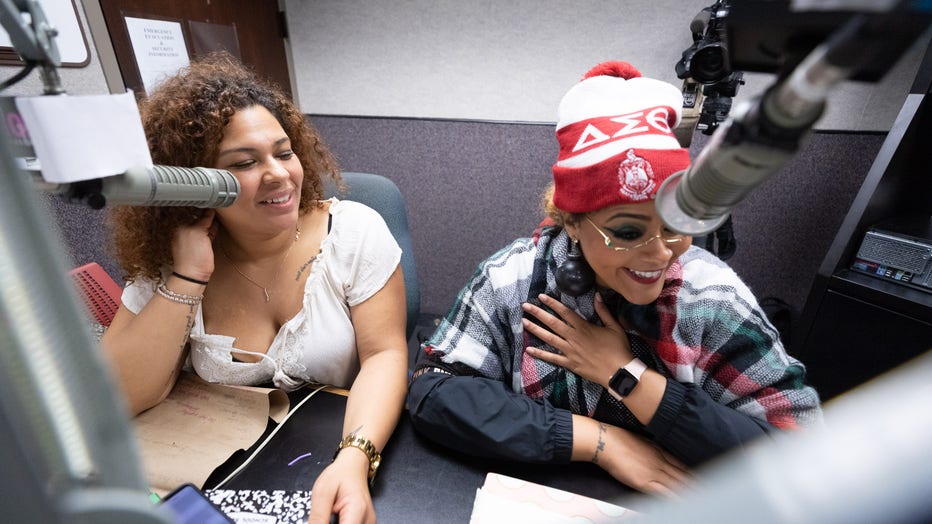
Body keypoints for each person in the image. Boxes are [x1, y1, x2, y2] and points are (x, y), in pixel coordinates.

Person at [406, 61, 823, 496]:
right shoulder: (513, 277)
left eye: (676, 224)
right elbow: (434, 391)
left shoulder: (712, 300)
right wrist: (600, 443)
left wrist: (626, 375)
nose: (660, 253)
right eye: (628, 232)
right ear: (571, 221)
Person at [101, 53, 408, 524]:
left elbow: (385, 356)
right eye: (245, 163)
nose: (280, 174)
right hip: (218, 467)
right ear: (193, 181)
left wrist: (354, 459)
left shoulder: (354, 232)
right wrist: (187, 276)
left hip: (338, 451)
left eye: (284, 153)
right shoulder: (174, 255)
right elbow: (117, 397)